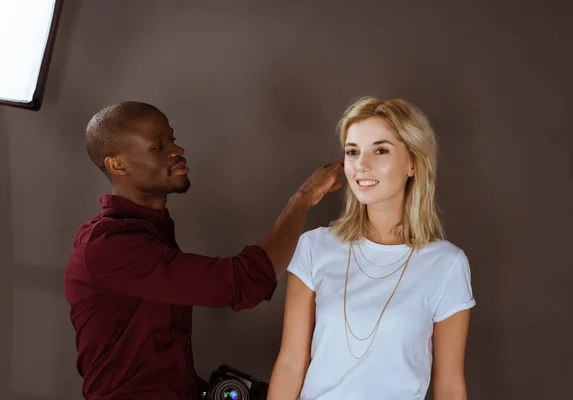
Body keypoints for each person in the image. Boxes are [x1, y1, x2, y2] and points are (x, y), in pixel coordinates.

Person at [64, 101, 344, 400]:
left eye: (172, 138)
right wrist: (303, 199)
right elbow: (245, 282)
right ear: (118, 165)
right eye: (159, 145)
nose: (176, 150)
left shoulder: (149, 232)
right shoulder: (109, 246)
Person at [268, 97, 476, 400]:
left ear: (413, 164)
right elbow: (290, 364)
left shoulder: (446, 265)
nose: (361, 166)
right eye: (353, 152)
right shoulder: (314, 247)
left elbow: (449, 386)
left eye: (380, 150)